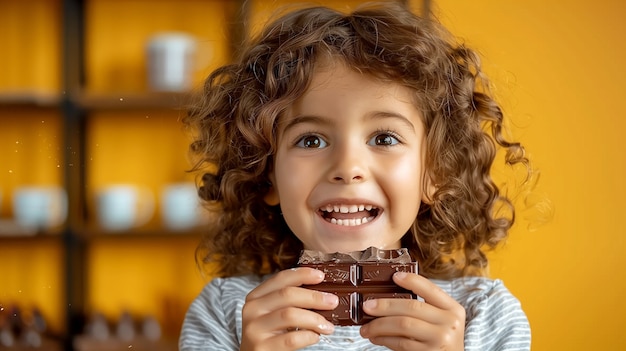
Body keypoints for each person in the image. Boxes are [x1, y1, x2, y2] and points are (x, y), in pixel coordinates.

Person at [179, 2, 532, 350]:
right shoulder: (227, 312)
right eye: (311, 140)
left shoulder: (483, 316)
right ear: (266, 172)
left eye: (384, 138)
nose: (348, 168)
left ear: (435, 171)